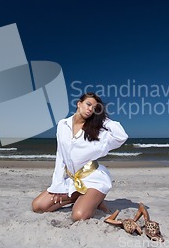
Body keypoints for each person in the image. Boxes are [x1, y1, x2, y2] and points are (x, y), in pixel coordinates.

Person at [32, 92, 128, 221]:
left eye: (95, 108)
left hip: (93, 179)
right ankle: (83, 197)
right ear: (79, 103)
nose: (90, 109)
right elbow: (60, 156)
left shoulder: (98, 131)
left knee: (78, 216)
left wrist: (102, 118)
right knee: (38, 206)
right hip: (72, 180)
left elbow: (121, 136)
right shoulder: (62, 125)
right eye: (88, 104)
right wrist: (58, 185)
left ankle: (94, 197)